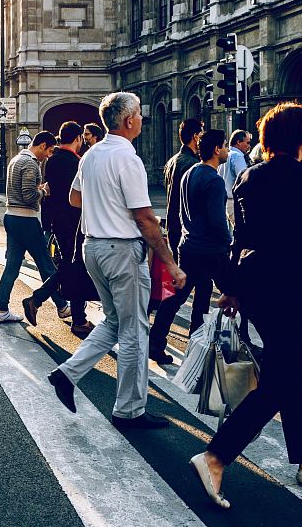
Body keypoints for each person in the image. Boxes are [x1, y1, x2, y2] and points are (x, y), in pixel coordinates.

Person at [188, 107, 302, 509]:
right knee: (280, 379)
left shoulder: (247, 177)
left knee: (291, 368)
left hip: (255, 286)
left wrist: (232, 288)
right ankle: (216, 456)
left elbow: (242, 236)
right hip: (291, 288)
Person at [47, 92, 186, 429]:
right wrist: (170, 263)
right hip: (122, 250)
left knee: (113, 321)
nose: (142, 118)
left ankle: (67, 374)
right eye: (139, 114)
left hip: (93, 247)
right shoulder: (128, 159)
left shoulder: (91, 156)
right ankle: (130, 410)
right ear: (128, 121)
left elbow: (74, 198)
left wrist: (104, 204)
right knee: (136, 330)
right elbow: (145, 219)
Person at [149, 129, 235, 364]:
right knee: (235, 294)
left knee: (179, 296)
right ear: (217, 149)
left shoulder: (189, 173)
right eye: (225, 146)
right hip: (211, 250)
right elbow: (217, 220)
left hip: (189, 246)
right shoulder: (215, 180)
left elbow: (179, 209)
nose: (227, 150)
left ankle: (156, 342)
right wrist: (228, 242)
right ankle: (236, 346)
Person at [0, 131, 67, 324]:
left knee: (12, 266)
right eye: (49, 150)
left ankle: (1, 309)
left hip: (11, 217)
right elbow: (28, 196)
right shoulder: (30, 164)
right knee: (46, 264)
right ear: (42, 145)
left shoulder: (16, 159)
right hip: (26, 219)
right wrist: (42, 191)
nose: (49, 155)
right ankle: (62, 306)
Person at [27, 121, 92, 335]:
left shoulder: (52, 161)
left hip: (58, 221)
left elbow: (50, 193)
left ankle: (42, 301)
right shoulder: (77, 163)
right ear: (77, 139)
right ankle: (76, 318)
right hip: (75, 222)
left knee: (69, 265)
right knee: (73, 267)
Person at [163, 118, 203, 259]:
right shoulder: (193, 164)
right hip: (187, 230)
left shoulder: (172, 161)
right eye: (201, 134)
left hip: (173, 226)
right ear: (195, 136)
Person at [219, 129, 252, 228]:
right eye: (247, 142)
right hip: (234, 203)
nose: (249, 146)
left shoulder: (225, 155)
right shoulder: (237, 156)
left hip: (223, 201)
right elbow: (244, 179)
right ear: (238, 142)